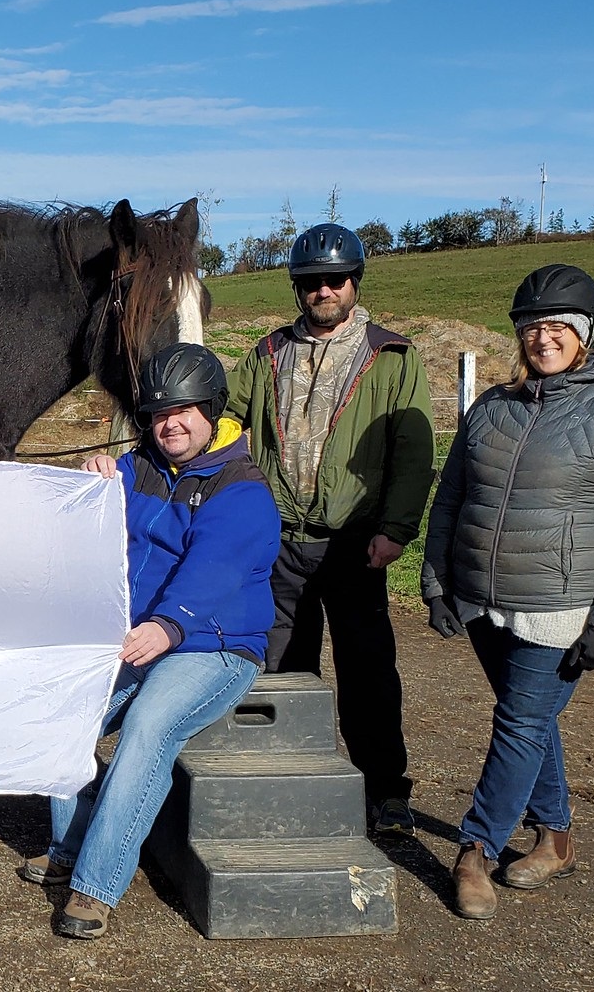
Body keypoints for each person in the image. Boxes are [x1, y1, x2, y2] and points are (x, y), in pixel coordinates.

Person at [420, 264, 594, 921]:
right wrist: (437, 578)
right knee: (530, 718)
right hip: (481, 600)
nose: (543, 338)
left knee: (520, 722)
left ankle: (475, 850)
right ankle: (555, 838)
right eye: (532, 327)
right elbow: (451, 499)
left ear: (586, 334)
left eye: (558, 326)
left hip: (561, 605)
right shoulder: (491, 408)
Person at [18, 342, 281, 940]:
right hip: (138, 636)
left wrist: (169, 625)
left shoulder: (240, 489)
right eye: (159, 414)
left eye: (184, 410)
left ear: (212, 410)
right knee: (70, 713)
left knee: (146, 730)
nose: (171, 424)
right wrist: (96, 484)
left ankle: (96, 884)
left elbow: (212, 571)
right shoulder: (138, 470)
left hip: (213, 644)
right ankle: (69, 846)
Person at [221, 223, 434, 835]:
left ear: (354, 282)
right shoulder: (265, 356)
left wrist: (395, 527)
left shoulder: (391, 356)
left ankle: (386, 790)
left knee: (367, 668)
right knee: (279, 665)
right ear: (297, 287)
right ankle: (282, 780)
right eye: (311, 282)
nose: (323, 291)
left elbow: (412, 450)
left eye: (334, 280)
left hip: (354, 541)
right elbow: (226, 422)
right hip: (280, 540)